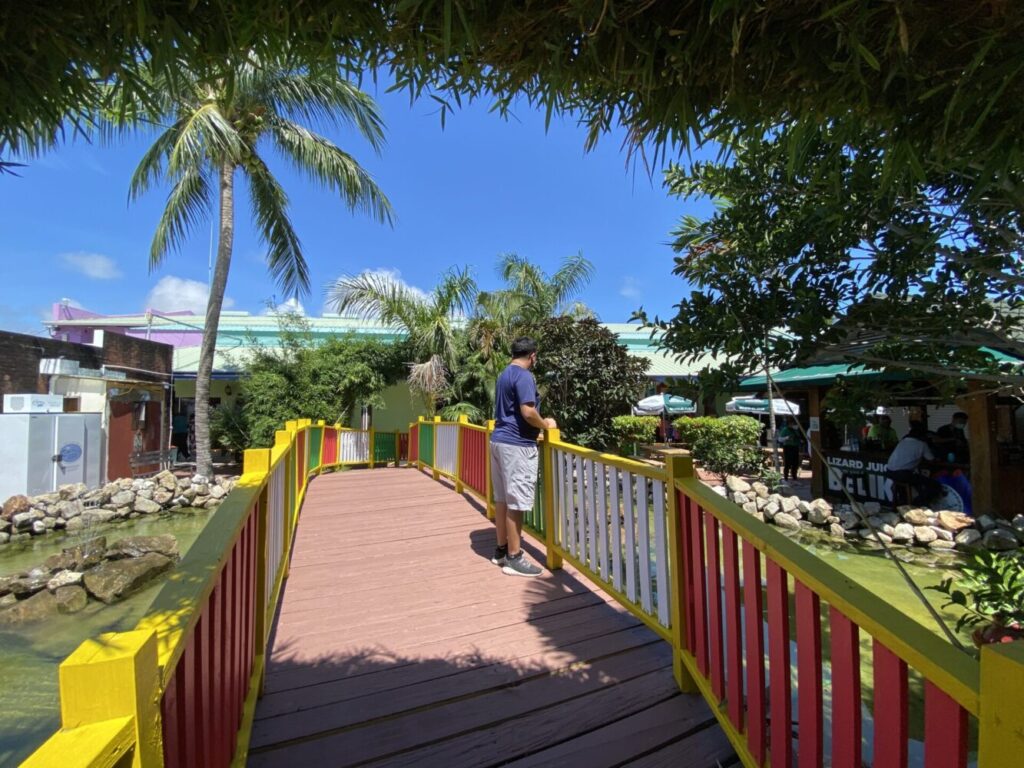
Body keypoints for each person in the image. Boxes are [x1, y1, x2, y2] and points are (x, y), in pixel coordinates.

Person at [490, 337, 557, 577]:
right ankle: (515, 558)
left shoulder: (504, 374)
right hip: (516, 444)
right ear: (533, 356)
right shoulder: (524, 376)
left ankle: (501, 550)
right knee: (516, 502)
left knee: (502, 499)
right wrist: (546, 425)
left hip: (498, 440)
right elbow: (528, 411)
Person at [885, 422, 943, 505]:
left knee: (916, 483)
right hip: (902, 474)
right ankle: (917, 504)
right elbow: (931, 460)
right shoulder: (922, 444)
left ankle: (904, 503)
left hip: (889, 472)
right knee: (934, 485)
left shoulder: (903, 441)